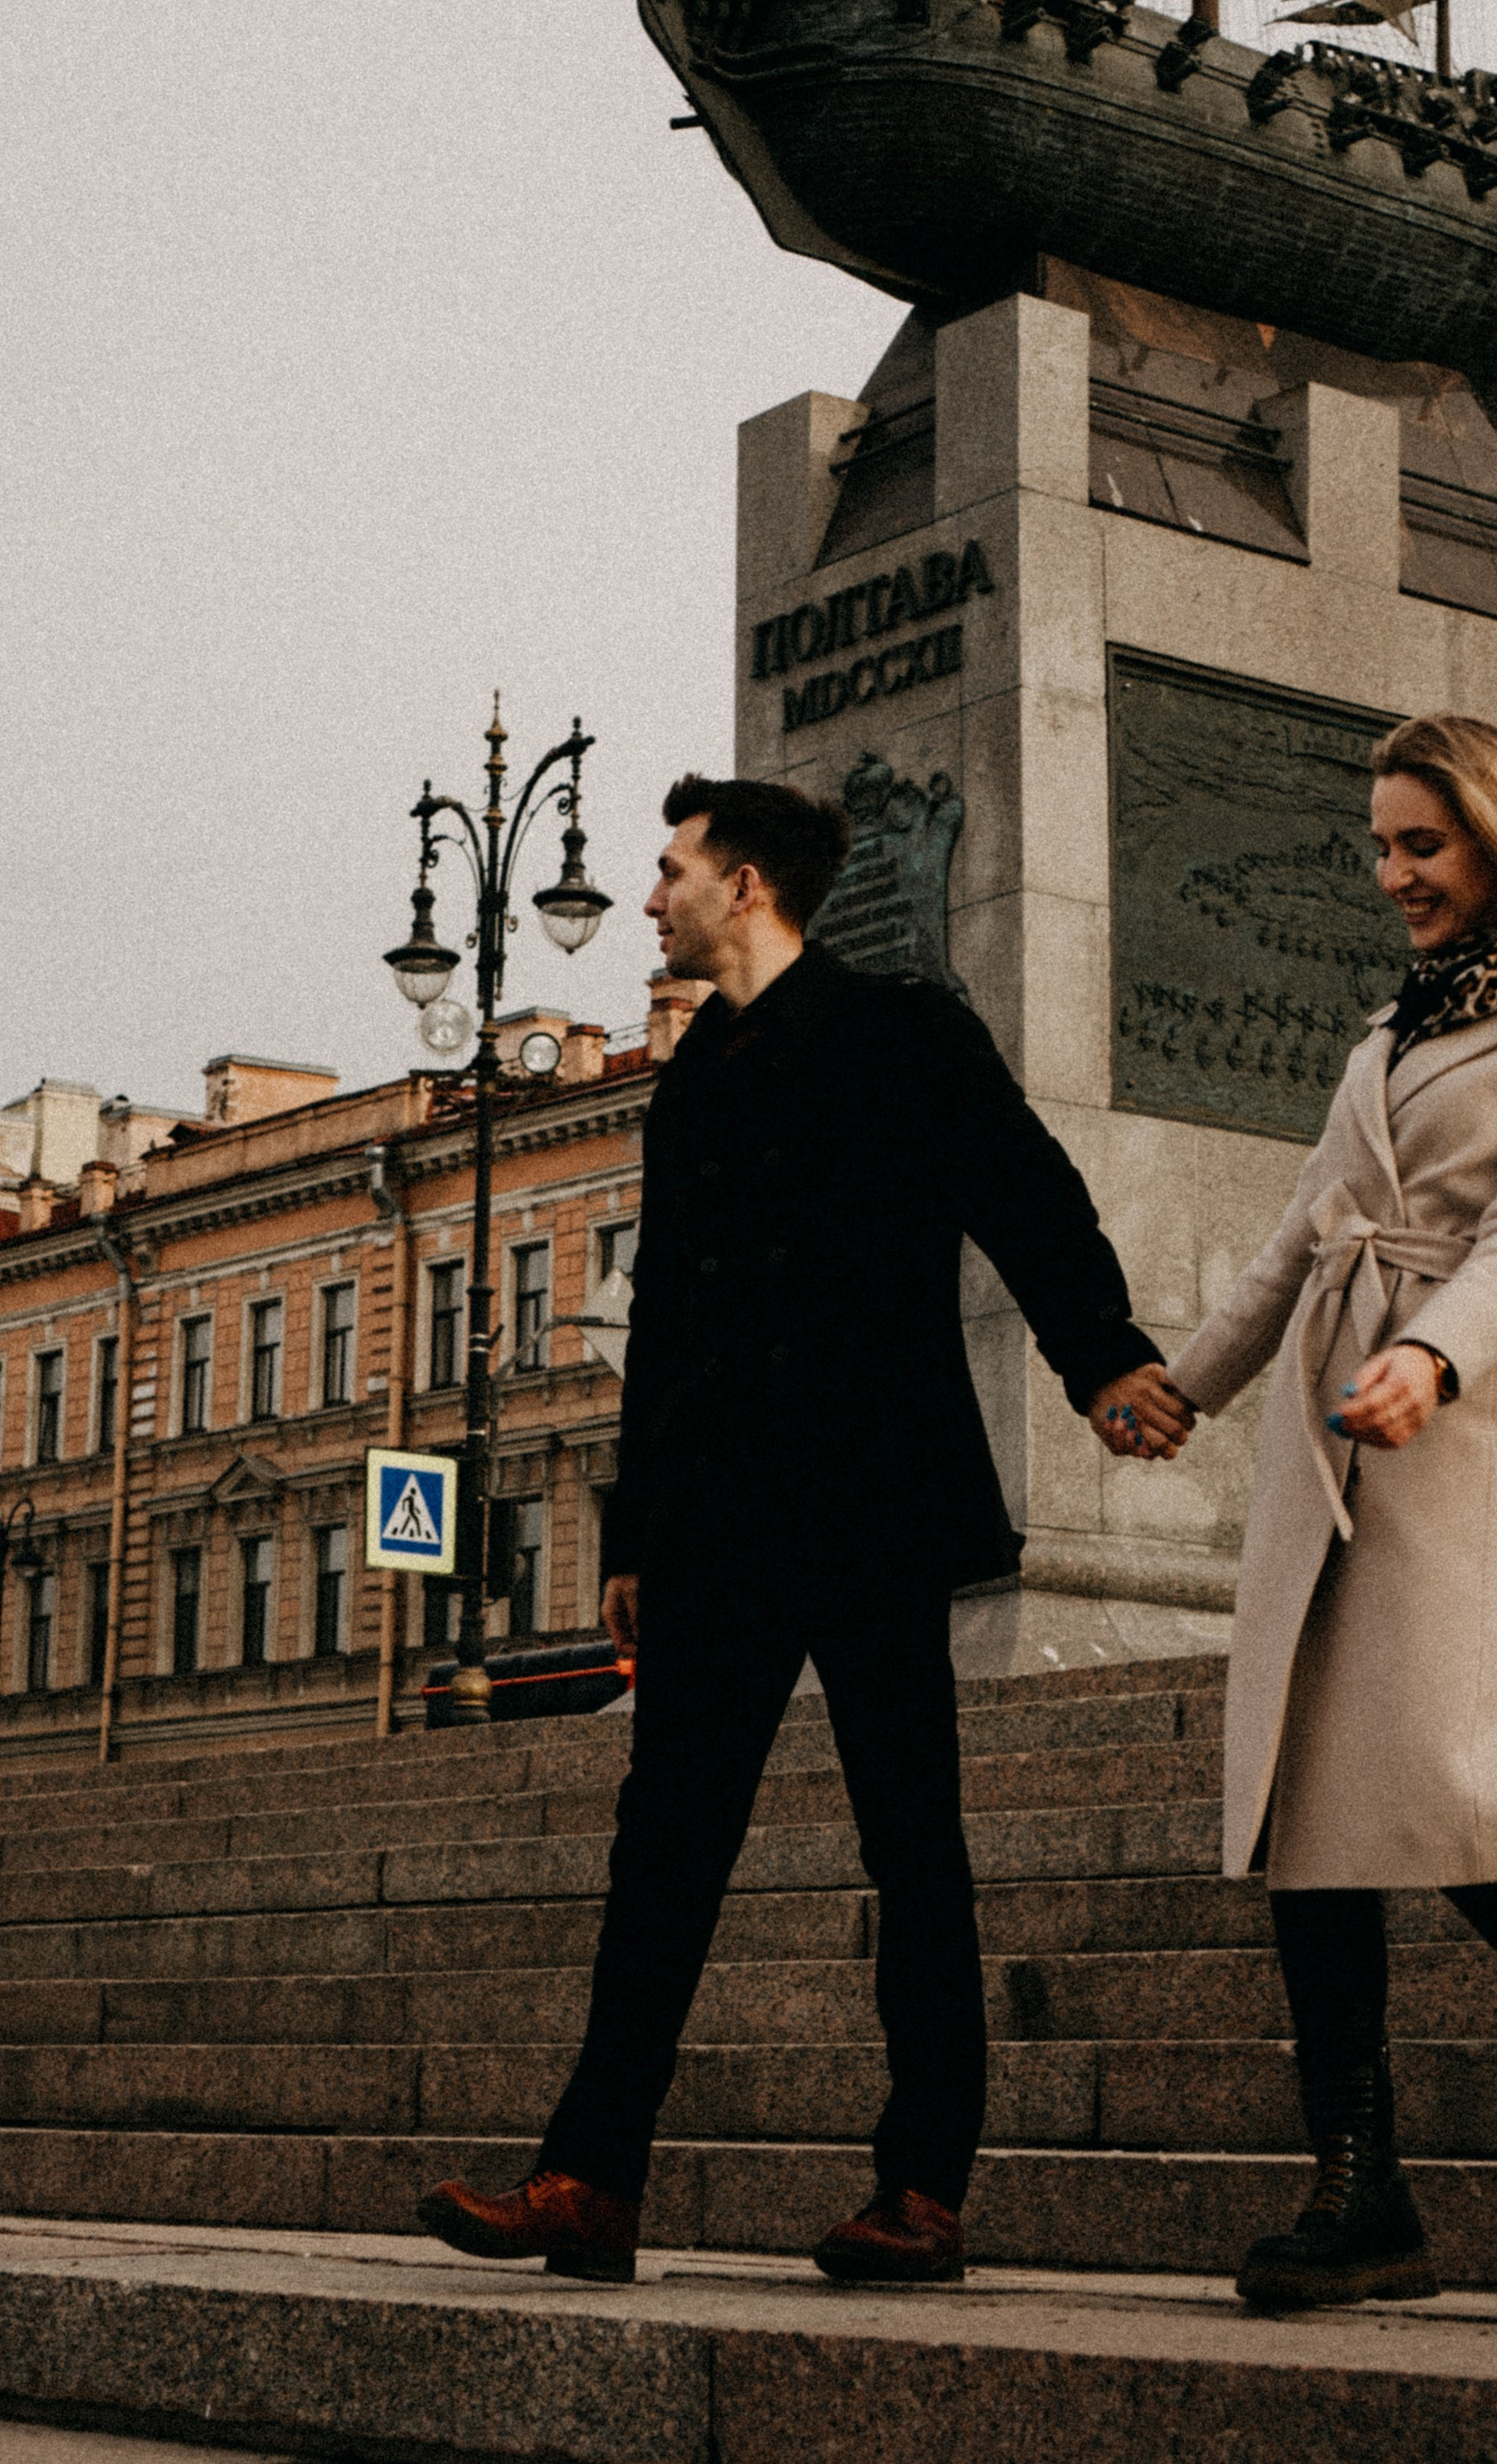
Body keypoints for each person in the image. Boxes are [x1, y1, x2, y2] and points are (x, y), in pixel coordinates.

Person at [417, 771, 1190, 2288]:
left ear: (747, 885)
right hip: (718, 1522)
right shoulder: (694, 1074)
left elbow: (1027, 1194)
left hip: (873, 1500)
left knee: (914, 1839)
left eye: (669, 872)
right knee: (666, 1852)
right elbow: (666, 1321)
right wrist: (633, 1533)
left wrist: (1101, 1355)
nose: (649, 899)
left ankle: (922, 2190)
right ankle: (588, 2181)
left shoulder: (905, 1032)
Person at [1108, 714, 1497, 2313]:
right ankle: (1356, 2187)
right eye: (1377, 845)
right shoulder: (1384, 1034)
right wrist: (1180, 1380)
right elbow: (1301, 1229)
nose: (1388, 873)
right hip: (1326, 1423)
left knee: (1448, 1780)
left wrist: (1427, 1354)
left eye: (1419, 844)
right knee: (1313, 1806)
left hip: (1452, 1421)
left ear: (1495, 839)